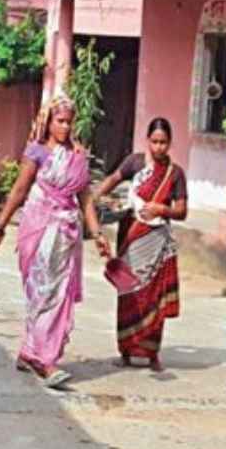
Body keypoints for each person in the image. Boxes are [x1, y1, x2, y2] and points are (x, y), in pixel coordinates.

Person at [0, 95, 113, 389]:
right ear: (48, 121)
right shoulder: (37, 152)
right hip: (39, 229)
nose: (65, 127)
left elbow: (85, 198)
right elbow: (18, 191)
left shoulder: (78, 155)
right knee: (42, 291)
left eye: (69, 121)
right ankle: (44, 359)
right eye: (60, 121)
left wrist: (99, 235)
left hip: (67, 232)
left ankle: (33, 352)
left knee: (58, 291)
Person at [93, 118, 187, 372]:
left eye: (163, 143)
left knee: (152, 296)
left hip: (156, 240)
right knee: (129, 293)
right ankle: (126, 350)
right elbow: (113, 178)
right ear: (147, 141)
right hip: (131, 236)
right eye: (154, 142)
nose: (158, 148)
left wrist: (161, 208)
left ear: (170, 143)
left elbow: (182, 210)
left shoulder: (175, 173)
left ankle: (151, 353)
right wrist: (92, 199)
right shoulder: (134, 162)